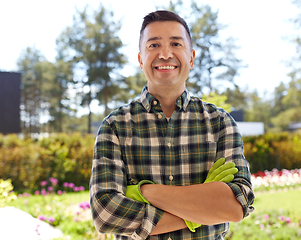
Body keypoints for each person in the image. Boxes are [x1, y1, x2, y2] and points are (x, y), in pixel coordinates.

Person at [89, 10, 255, 240]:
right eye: (153, 45)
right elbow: (105, 214)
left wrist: (143, 192)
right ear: (140, 59)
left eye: (176, 44)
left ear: (192, 57)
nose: (165, 54)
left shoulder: (220, 123)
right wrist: (202, 210)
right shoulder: (115, 127)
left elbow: (237, 205)